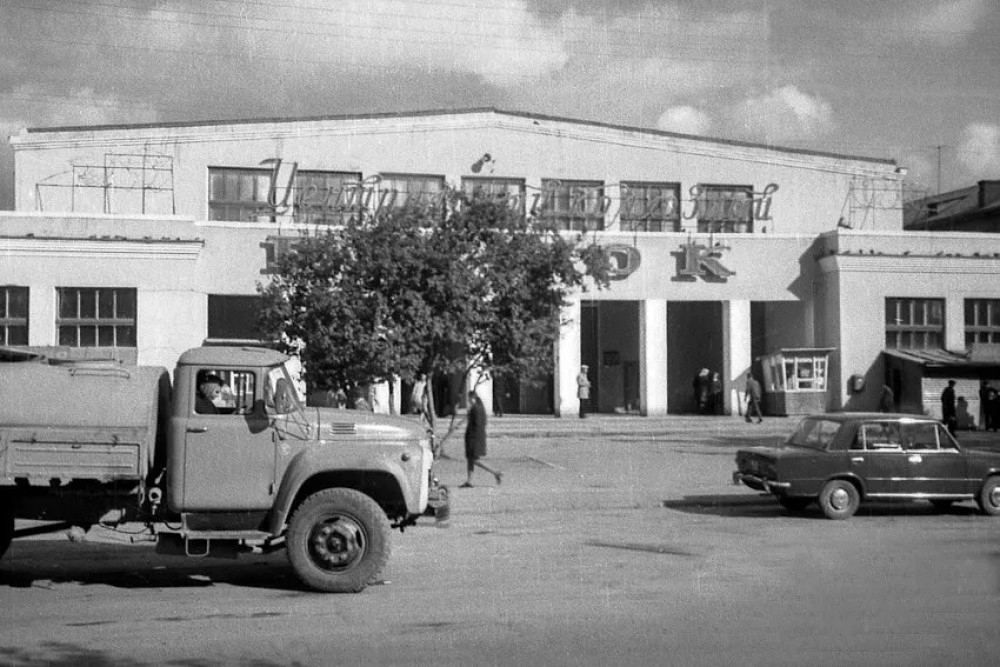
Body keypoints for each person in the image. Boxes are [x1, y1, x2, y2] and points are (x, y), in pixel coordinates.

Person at [460, 391, 501, 488]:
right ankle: (469, 481)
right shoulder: (478, 407)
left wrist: (473, 439)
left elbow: (477, 425)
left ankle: (495, 472)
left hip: (474, 438)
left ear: (473, 398)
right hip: (475, 438)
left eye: (469, 399)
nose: (468, 401)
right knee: (470, 460)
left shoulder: (477, 409)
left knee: (475, 460)